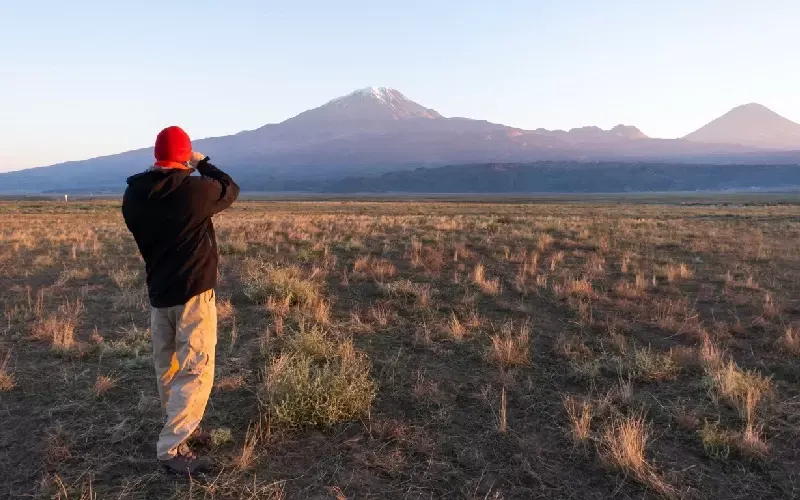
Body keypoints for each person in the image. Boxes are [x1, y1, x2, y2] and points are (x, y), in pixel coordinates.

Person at [122, 126, 240, 475]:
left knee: (169, 368)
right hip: (193, 295)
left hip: (160, 294)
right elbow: (230, 188)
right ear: (184, 155)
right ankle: (171, 448)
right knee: (196, 369)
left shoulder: (133, 195)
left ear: (156, 155)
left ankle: (182, 427)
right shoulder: (193, 192)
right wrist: (202, 163)